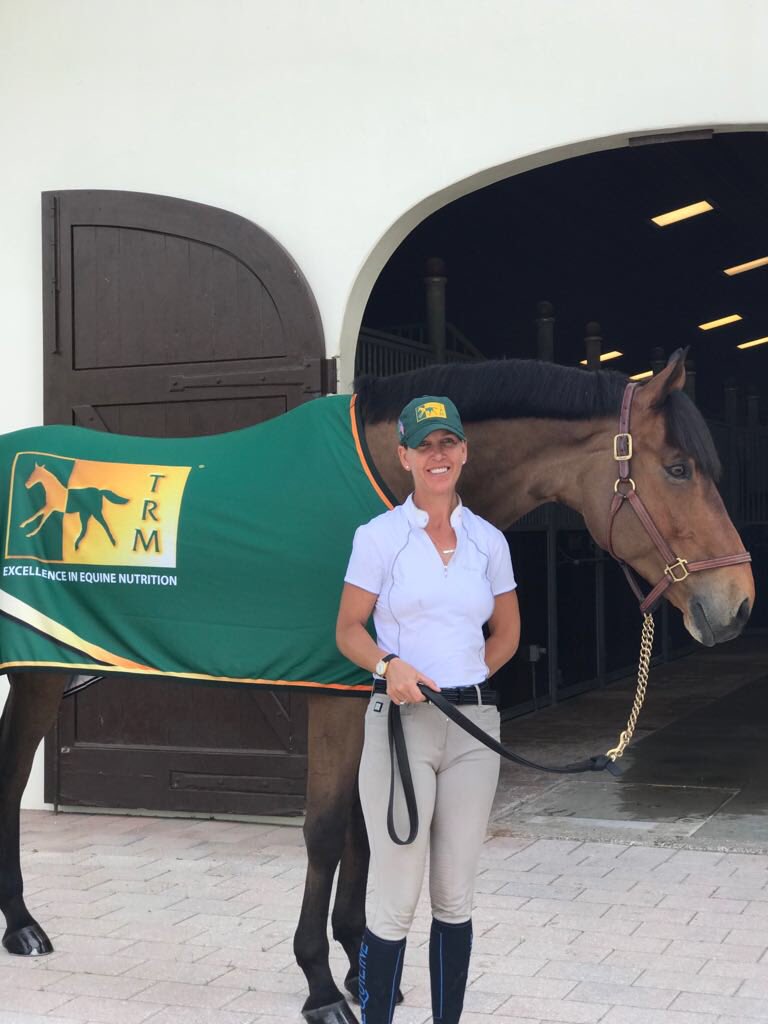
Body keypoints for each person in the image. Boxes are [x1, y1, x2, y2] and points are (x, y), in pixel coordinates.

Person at [336, 395, 520, 1024]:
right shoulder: (379, 537)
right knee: (395, 896)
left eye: (447, 443)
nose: (436, 455)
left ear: (463, 451)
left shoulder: (488, 541)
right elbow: (349, 630)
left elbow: (507, 633)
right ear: (405, 457)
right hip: (402, 726)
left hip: (473, 728)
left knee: (455, 895)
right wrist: (390, 666)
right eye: (424, 445)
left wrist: (469, 676)